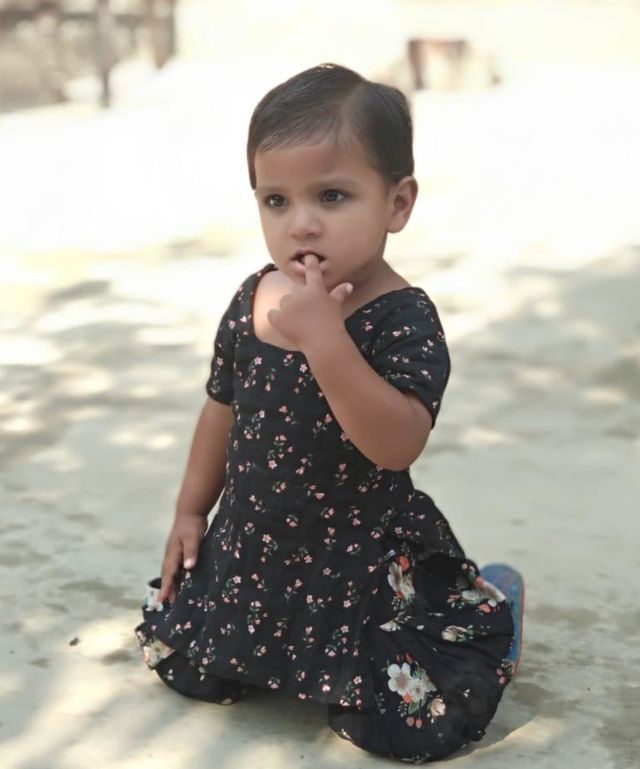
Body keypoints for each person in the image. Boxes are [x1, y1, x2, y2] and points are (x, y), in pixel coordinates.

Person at [134, 62, 516, 763]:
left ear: (397, 204)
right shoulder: (253, 298)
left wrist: (326, 341)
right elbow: (220, 410)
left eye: (332, 196)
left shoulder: (401, 318)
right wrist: (190, 510)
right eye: (276, 200)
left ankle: (493, 608)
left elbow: (396, 445)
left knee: (401, 723)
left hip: (357, 560)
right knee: (194, 671)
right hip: (256, 550)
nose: (301, 223)